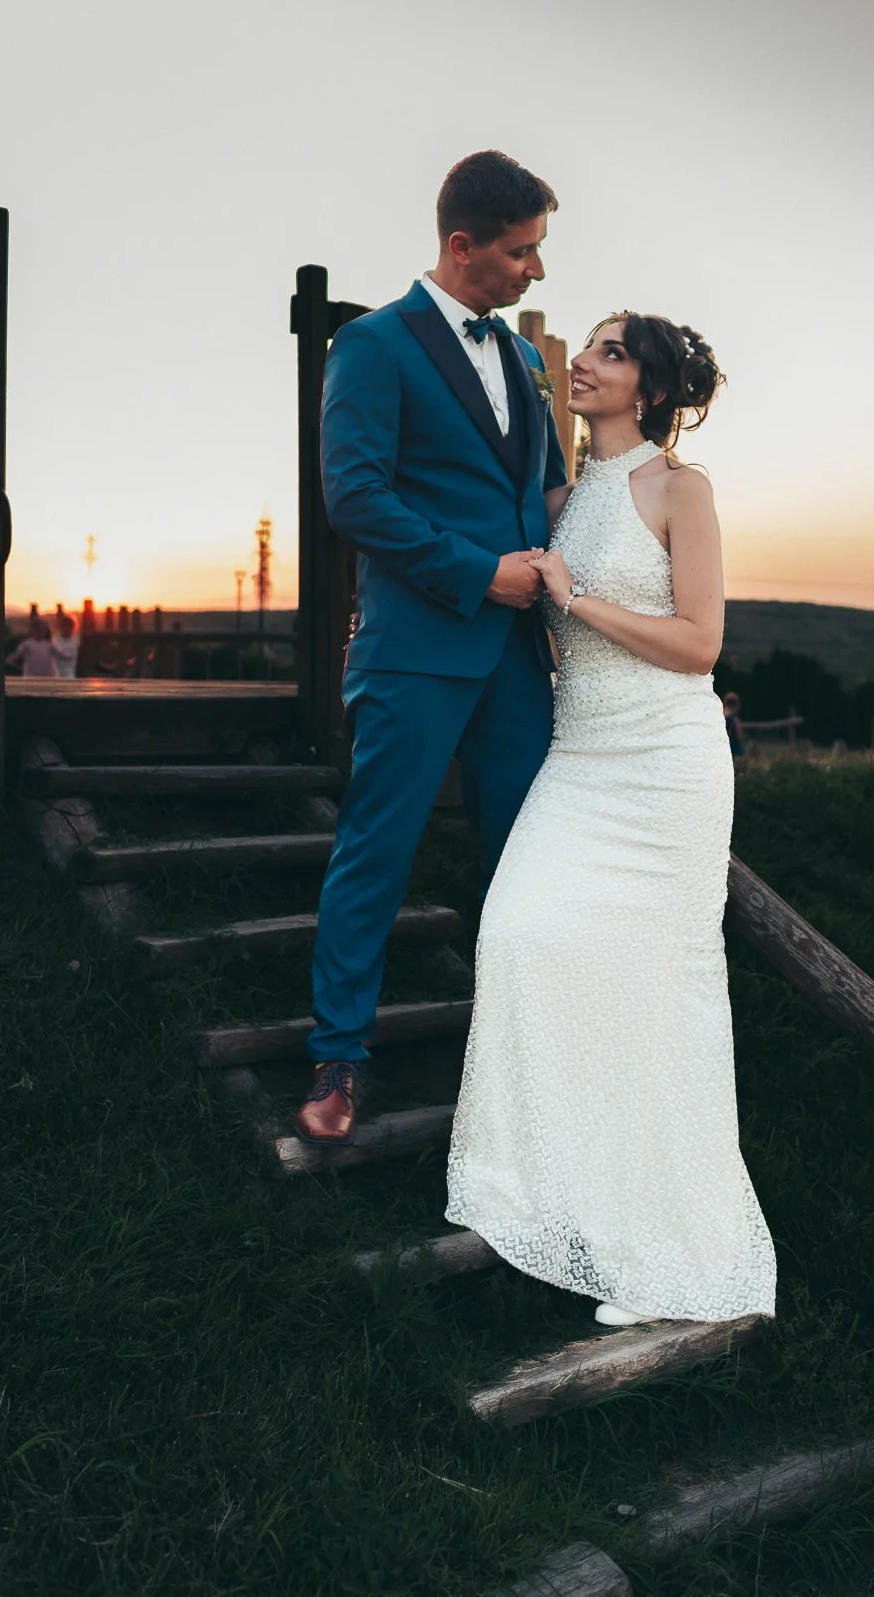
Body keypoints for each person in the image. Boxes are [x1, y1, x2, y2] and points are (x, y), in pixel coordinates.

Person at [446, 312, 777, 1327]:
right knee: (518, 933)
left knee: (659, 993)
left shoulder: (682, 490)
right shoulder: (556, 499)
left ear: (652, 388)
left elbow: (698, 643)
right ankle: (555, 1197)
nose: (582, 365)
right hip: (579, 762)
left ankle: (664, 1243)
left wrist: (576, 598)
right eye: (583, 349)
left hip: (666, 766)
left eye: (608, 353)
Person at [294, 151, 569, 1146]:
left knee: (525, 857)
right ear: (463, 247)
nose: (535, 271)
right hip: (416, 647)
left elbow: (534, 495)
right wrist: (477, 572)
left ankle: (523, 1055)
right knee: (378, 849)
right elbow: (355, 497)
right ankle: (339, 1057)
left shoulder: (526, 362)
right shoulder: (373, 347)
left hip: (514, 661)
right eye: (520, 252)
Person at [51, 611, 80, 678]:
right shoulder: (55, 640)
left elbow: (69, 655)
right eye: (65, 625)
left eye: (69, 626)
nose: (67, 628)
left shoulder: (76, 640)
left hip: (71, 674)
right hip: (56, 674)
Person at [722, 689, 746, 759]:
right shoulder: (735, 719)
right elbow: (739, 736)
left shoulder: (719, 717)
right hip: (734, 751)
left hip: (722, 750)